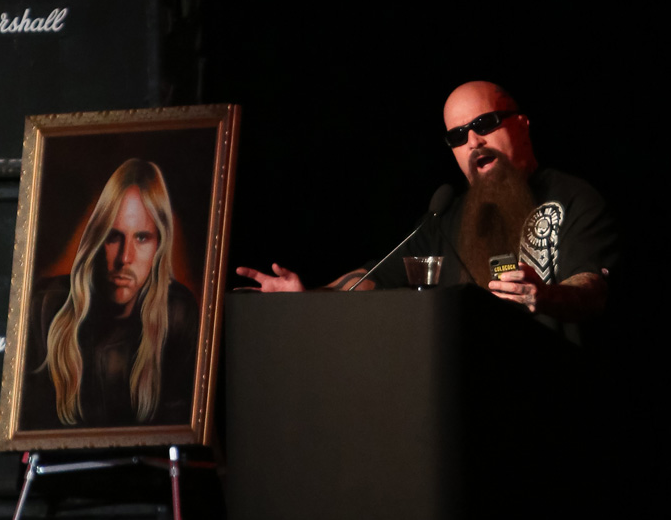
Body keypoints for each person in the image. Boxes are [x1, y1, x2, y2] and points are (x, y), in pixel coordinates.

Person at [236, 81, 620, 345]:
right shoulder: (446, 218)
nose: (473, 141)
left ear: (521, 125)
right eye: (457, 136)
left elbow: (593, 289)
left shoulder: (572, 197)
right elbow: (375, 279)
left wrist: (545, 295)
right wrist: (308, 296)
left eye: (485, 123)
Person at [21, 158, 200, 429]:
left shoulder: (177, 313)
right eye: (113, 237)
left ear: (159, 246)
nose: (124, 258)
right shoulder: (47, 307)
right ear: (96, 240)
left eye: (142, 238)